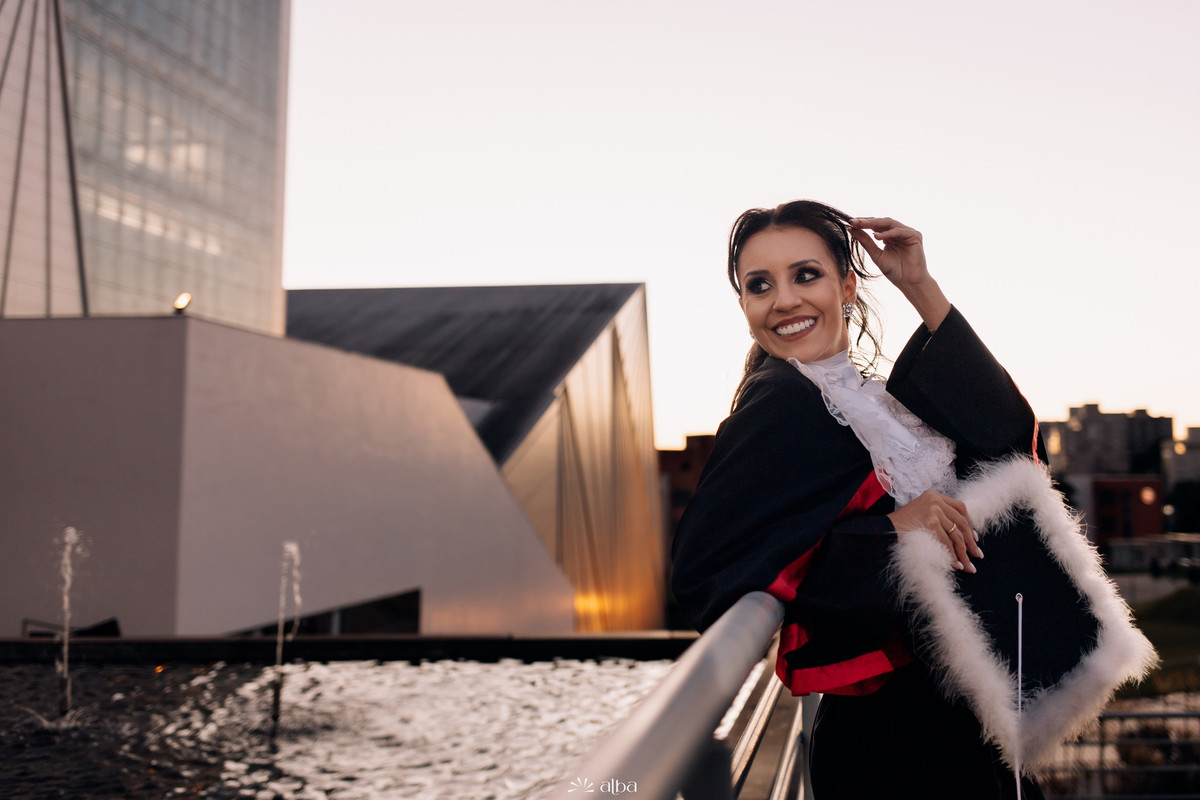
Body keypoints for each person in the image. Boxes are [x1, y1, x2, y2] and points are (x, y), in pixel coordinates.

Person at [670, 200, 1046, 799]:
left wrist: (919, 285)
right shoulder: (779, 405)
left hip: (969, 704)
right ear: (743, 306)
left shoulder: (875, 400)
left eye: (806, 274)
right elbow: (706, 574)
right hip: (895, 735)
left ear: (847, 284)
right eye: (759, 285)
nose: (784, 299)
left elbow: (1012, 446)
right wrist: (893, 530)